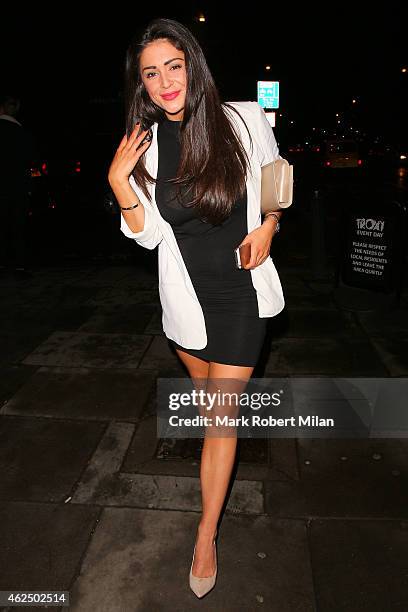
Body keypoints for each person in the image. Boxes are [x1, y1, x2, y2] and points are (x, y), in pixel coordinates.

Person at [108, 18, 285, 599]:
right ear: (142, 85)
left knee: (220, 417)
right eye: (151, 74)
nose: (164, 82)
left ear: (193, 65)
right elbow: (149, 234)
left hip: (241, 293)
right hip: (187, 301)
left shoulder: (242, 119)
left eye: (173, 67)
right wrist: (119, 181)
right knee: (211, 405)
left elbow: (274, 176)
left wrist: (271, 224)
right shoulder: (146, 145)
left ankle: (206, 533)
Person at [0, 93, 33, 278]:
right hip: (17, 188)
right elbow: (29, 162)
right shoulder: (22, 133)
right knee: (17, 225)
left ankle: (5, 264)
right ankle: (19, 265)